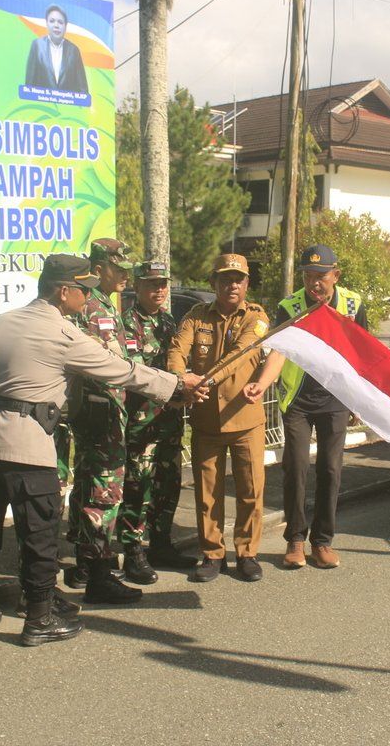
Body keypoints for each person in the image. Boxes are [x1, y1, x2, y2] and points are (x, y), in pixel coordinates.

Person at [0, 253, 205, 647]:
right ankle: (40, 618)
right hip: (28, 444)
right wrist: (176, 386)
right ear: (63, 292)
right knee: (40, 533)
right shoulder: (62, 333)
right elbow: (120, 370)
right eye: (83, 289)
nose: (88, 296)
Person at [245, 245, 366, 570]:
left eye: (321, 276)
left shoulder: (353, 305)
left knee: (331, 470)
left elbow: (361, 353)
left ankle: (322, 542)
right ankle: (295, 540)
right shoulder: (291, 306)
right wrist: (263, 382)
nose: (314, 283)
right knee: (295, 468)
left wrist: (358, 399)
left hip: (336, 399)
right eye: (309, 276)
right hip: (297, 401)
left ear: (335, 275)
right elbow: (279, 352)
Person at [168, 254, 270, 583]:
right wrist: (180, 379)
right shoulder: (196, 316)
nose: (232, 284)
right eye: (225, 278)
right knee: (207, 492)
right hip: (206, 421)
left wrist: (202, 381)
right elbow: (176, 350)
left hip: (245, 420)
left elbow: (239, 355)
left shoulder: (256, 317)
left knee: (250, 490)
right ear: (213, 283)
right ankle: (212, 554)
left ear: (247, 284)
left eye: (239, 279)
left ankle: (247, 553)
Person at [65, 238, 146, 603]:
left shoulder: (106, 305)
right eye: (120, 268)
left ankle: (86, 563)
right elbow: (100, 364)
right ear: (99, 270)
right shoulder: (89, 306)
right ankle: (99, 574)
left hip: (108, 410)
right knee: (103, 492)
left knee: (90, 489)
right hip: (100, 411)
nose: (127, 276)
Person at [120, 260, 199, 580]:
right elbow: (135, 374)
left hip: (168, 421)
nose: (159, 290)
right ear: (137, 287)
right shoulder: (126, 324)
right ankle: (133, 550)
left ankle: (161, 543)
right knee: (138, 486)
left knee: (168, 483)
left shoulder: (169, 323)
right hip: (142, 423)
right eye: (152, 284)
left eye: (163, 284)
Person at [23, 4, 89, 95]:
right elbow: (29, 85)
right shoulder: (37, 46)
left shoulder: (74, 50)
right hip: (42, 107)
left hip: (68, 108)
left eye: (60, 22)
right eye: (52, 21)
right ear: (47, 23)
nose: (56, 25)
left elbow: (83, 90)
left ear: (65, 26)